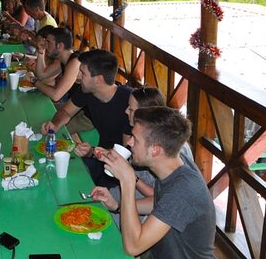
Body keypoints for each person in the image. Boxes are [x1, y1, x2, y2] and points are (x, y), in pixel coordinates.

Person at [93, 107, 215, 258]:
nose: (129, 142)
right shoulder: (173, 165)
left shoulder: (184, 189)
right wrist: (118, 205)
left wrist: (127, 180)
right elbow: (162, 204)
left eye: (135, 139)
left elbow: (133, 247)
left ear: (155, 150)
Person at [41, 49, 132, 187]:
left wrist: (93, 152)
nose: (78, 77)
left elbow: (126, 155)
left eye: (82, 73)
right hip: (98, 158)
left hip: (118, 174)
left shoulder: (128, 104)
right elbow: (66, 111)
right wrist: (55, 125)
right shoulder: (88, 91)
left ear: (98, 80)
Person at [26, 26, 80, 103]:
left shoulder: (75, 62)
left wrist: (33, 80)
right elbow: (41, 75)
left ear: (60, 46)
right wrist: (41, 51)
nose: (45, 45)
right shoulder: (62, 59)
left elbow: (56, 95)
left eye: (48, 42)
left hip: (83, 112)